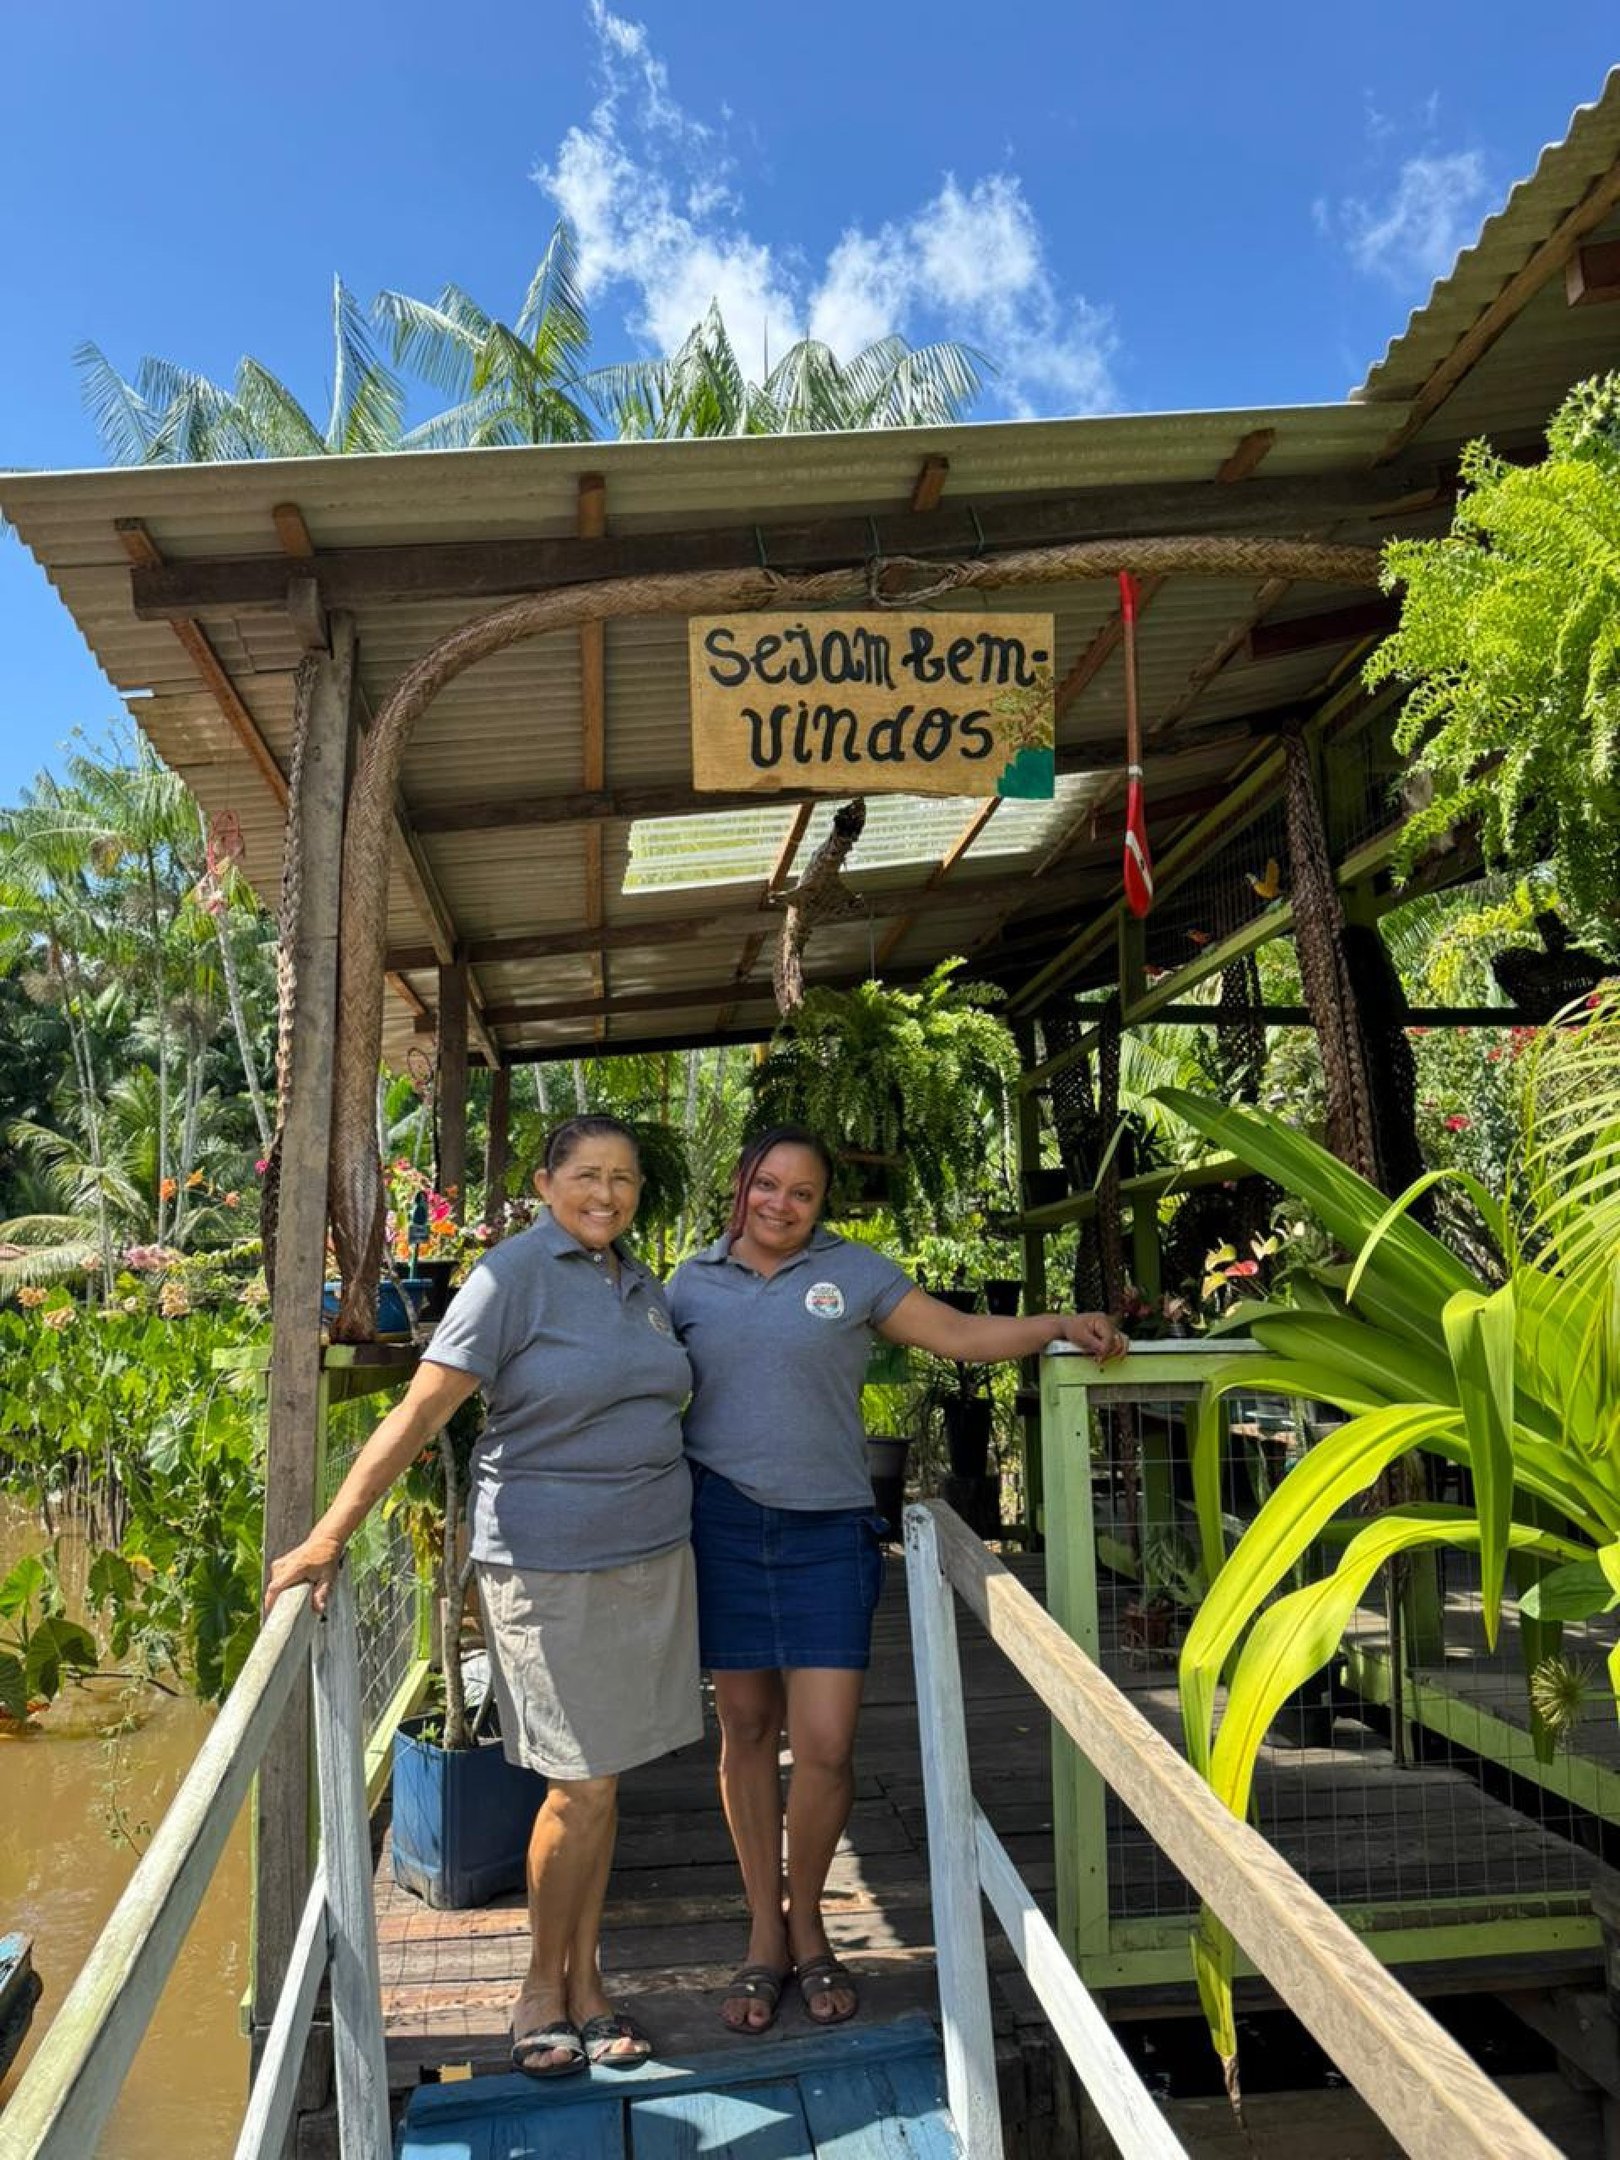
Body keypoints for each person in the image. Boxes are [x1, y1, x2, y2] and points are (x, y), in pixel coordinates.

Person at [265, 1114, 701, 2080]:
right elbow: (423, 1409)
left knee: (603, 1777)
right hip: (547, 1563)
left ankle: (587, 1983)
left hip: (653, 1557)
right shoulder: (511, 1277)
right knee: (579, 1780)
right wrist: (330, 1534)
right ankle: (540, 1990)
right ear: (545, 1184)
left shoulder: (641, 1284)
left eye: (623, 1178)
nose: (607, 1193)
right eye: (586, 1174)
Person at [667, 1124, 1127, 2035]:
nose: (782, 1205)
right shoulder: (687, 1282)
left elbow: (956, 1333)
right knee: (747, 1727)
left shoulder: (857, 1273)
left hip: (830, 1531)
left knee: (828, 1744)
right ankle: (766, 1931)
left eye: (802, 1192)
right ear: (741, 1184)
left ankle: (811, 1924)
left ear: (822, 1203)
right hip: (720, 1525)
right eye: (768, 1185)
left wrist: (1056, 1325)